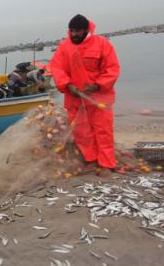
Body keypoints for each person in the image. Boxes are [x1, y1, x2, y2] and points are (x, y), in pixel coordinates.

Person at [49, 14, 121, 170]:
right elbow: (56, 68)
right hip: (74, 98)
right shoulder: (64, 47)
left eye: (77, 31)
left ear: (86, 30)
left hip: (99, 97)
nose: (74, 34)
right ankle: (92, 159)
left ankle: (107, 164)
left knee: (103, 131)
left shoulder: (102, 44)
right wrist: (68, 86)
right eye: (71, 31)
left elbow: (112, 69)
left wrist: (96, 86)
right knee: (81, 132)